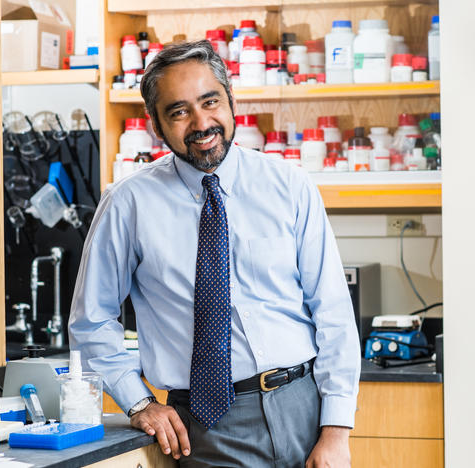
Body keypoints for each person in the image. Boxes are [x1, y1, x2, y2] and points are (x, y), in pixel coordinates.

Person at [69, 40, 360, 467]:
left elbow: (332, 311)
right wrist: (138, 402)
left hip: (306, 407)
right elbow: (91, 321)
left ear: (231, 101)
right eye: (179, 111)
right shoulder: (128, 203)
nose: (201, 122)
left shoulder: (288, 185)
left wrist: (336, 430)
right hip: (206, 425)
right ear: (154, 124)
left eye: (210, 102)